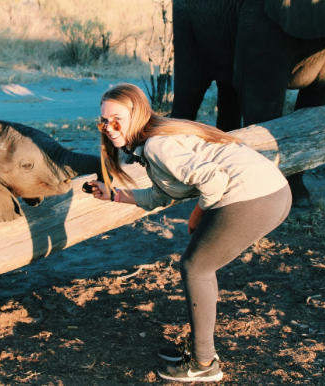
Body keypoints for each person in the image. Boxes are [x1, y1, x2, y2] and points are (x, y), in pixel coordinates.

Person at [87, 83, 292, 382]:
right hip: (269, 192)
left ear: (138, 114)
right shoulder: (152, 144)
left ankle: (204, 364)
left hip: (254, 196)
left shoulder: (158, 145)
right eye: (104, 121)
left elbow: (212, 179)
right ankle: (201, 348)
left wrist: (199, 211)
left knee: (195, 267)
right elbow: (159, 197)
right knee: (201, 267)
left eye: (117, 118)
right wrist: (114, 195)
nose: (109, 127)